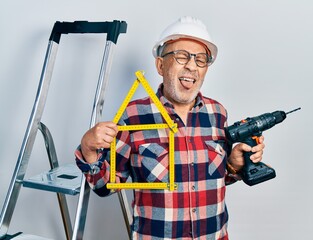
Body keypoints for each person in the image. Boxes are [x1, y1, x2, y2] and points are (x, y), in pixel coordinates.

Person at [75, 16, 265, 239]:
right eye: (182, 56)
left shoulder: (218, 113)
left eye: (201, 60)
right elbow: (106, 187)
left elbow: (214, 180)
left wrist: (233, 165)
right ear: (160, 64)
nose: (192, 66)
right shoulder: (134, 116)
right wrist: (88, 149)